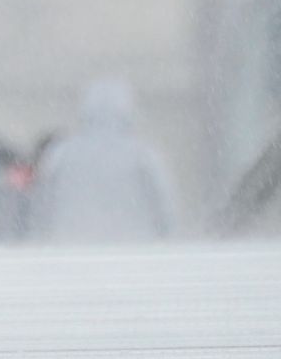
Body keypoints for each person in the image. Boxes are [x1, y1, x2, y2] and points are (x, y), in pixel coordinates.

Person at [29, 80, 177, 243]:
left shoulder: (62, 154)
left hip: (72, 249)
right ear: (127, 111)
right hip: (134, 251)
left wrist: (42, 240)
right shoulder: (143, 156)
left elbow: (41, 206)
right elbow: (164, 207)